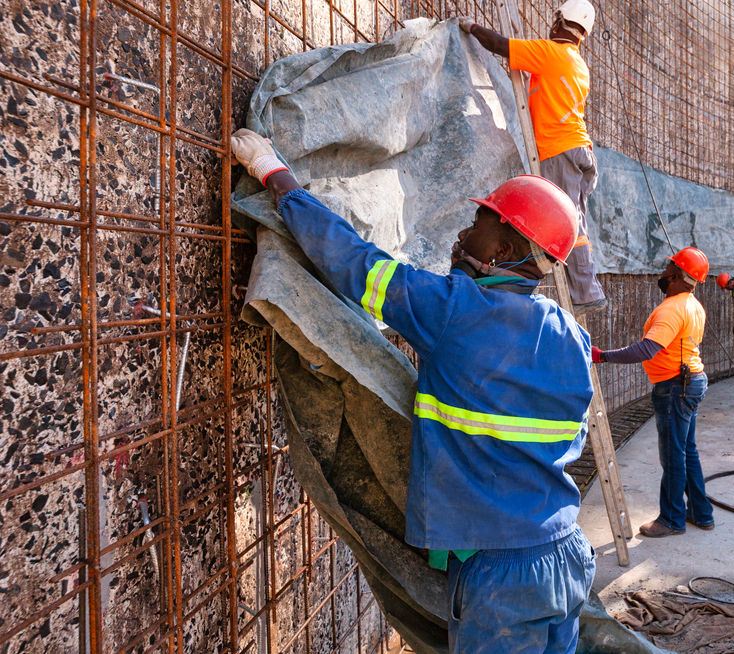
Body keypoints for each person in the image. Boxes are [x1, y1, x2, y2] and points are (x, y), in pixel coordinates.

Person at [230, 128, 597, 654]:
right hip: (566, 554)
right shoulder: (572, 336)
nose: (464, 234)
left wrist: (275, 175)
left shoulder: (454, 311)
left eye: (478, 223)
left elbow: (354, 263)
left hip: (502, 574)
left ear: (504, 248)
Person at [460, 0, 607, 315]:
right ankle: (583, 289)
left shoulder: (552, 54)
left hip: (560, 149)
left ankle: (585, 291)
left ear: (559, 22)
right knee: (574, 220)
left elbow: (500, 45)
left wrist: (470, 27)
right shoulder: (578, 63)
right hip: (577, 149)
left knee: (571, 223)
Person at [592, 247, 713, 538]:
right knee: (687, 451)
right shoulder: (692, 304)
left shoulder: (673, 308)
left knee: (673, 455)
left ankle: (672, 519)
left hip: (675, 387)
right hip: (690, 381)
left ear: (678, 274)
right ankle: (701, 513)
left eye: (668, 267)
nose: (663, 272)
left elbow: (648, 349)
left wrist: (603, 356)